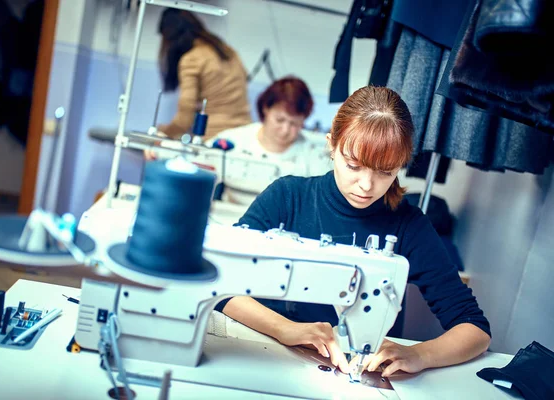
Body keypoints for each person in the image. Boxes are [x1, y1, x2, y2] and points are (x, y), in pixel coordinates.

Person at [216, 86, 491, 377]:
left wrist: (419, 354)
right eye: (353, 166)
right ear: (331, 145)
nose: (366, 185)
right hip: (267, 357)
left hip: (356, 371)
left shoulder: (409, 226)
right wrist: (285, 328)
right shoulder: (287, 198)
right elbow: (221, 281)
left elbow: (475, 329)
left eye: (386, 172)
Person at [207, 77, 332, 205]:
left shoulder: (314, 157)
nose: (285, 130)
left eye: (294, 124)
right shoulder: (233, 141)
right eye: (279, 120)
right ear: (265, 109)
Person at [155, 8, 251, 141]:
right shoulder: (228, 51)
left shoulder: (192, 59)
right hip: (243, 135)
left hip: (214, 138)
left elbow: (184, 119)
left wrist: (161, 133)